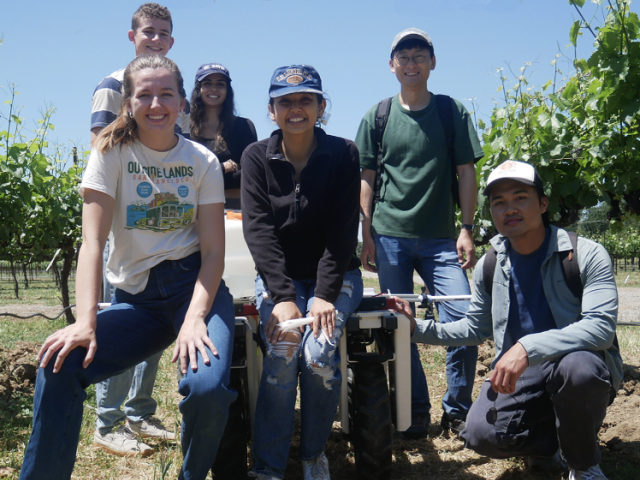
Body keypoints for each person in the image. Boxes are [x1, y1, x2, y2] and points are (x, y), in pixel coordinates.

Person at [19, 54, 236, 480]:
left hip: (194, 290)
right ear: (128, 103)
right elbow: (92, 242)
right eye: (145, 95)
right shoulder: (111, 154)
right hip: (137, 300)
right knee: (57, 366)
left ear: (182, 103)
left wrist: (194, 319)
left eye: (166, 94)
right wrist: (85, 321)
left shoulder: (202, 161)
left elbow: (213, 253)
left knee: (207, 391)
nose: (156, 104)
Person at [398, 160, 622, 480]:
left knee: (579, 370)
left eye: (520, 197)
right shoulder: (490, 265)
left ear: (543, 204)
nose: (509, 208)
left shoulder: (585, 254)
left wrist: (527, 347)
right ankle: (548, 447)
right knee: (479, 434)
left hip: (573, 364)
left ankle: (584, 465)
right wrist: (415, 328)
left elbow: (600, 328)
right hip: (523, 373)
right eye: (498, 202)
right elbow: (475, 328)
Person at [355, 27, 484, 438]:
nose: (411, 63)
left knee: (463, 322)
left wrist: (466, 228)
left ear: (432, 62)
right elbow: (367, 178)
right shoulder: (377, 116)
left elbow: (467, 172)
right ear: (392, 66)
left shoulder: (451, 112)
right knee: (398, 325)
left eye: (419, 56)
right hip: (389, 236)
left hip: (442, 239)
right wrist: (367, 232)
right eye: (403, 57)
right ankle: (413, 411)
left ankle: (457, 410)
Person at [241, 65, 363, 480]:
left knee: (317, 356)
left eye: (305, 100)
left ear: (321, 107)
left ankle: (313, 454)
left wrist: (326, 293)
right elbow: (257, 229)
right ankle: (268, 466)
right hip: (282, 280)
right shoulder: (256, 157)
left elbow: (343, 229)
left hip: (336, 276)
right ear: (271, 110)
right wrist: (283, 295)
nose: (296, 109)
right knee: (283, 351)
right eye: (285, 102)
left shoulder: (344, 153)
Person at [89, 2, 189, 454]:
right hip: (128, 225)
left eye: (163, 33)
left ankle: (140, 412)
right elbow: (102, 149)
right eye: (148, 31)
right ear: (133, 37)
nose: (156, 38)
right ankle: (108, 422)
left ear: (171, 40)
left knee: (154, 325)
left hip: (164, 222)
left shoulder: (171, 90)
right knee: (125, 321)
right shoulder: (112, 86)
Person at [189, 63, 257, 210]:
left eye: (220, 84)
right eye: (207, 83)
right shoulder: (185, 129)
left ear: (227, 90)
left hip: (235, 208)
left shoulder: (244, 127)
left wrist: (205, 174)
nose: (214, 89)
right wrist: (225, 167)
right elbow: (184, 176)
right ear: (198, 89)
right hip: (193, 207)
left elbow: (250, 175)